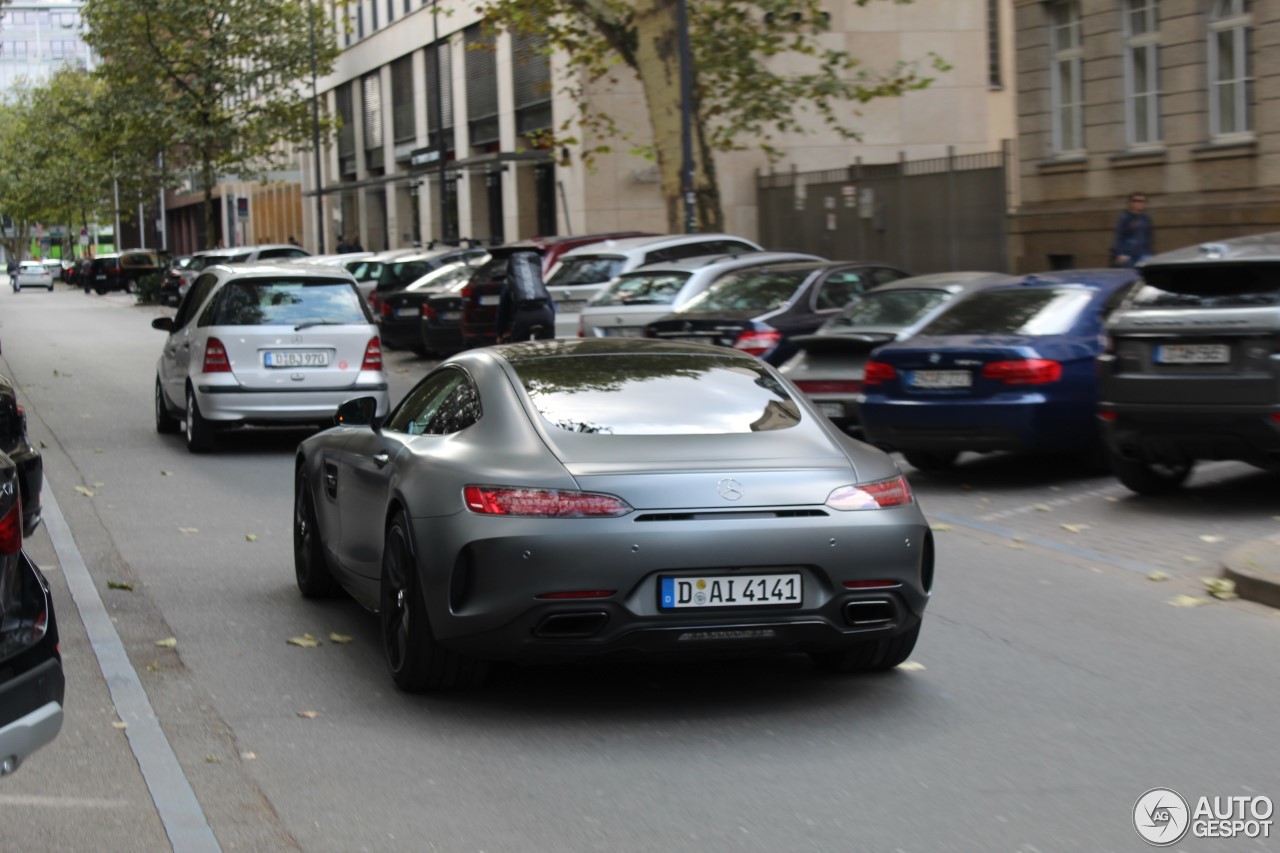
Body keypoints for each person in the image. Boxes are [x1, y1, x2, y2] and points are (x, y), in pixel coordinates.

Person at [495, 250, 555, 342]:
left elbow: (503, 312)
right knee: (549, 347)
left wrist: (500, 334)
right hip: (545, 316)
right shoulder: (538, 282)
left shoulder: (508, 284)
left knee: (517, 350)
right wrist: (550, 322)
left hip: (523, 318)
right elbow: (551, 306)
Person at [1111, 192, 1153, 268]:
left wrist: (1149, 253)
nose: (1138, 203)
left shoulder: (1145, 218)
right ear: (1131, 203)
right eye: (1135, 200)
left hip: (1143, 254)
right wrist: (1120, 253)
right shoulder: (1125, 217)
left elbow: (1148, 237)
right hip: (1128, 256)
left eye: (1141, 201)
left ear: (1145, 204)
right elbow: (1119, 236)